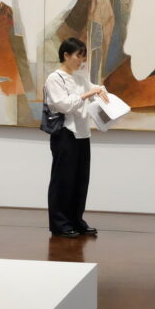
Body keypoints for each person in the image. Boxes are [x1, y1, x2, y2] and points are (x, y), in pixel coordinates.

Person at [43, 37, 108, 238]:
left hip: (82, 134)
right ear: (66, 55)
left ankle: (76, 220)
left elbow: (95, 89)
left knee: (80, 180)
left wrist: (101, 91)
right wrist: (88, 94)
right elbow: (63, 104)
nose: (81, 60)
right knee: (63, 179)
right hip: (64, 133)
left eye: (83, 56)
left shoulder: (80, 78)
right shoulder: (55, 78)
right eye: (78, 56)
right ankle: (60, 224)